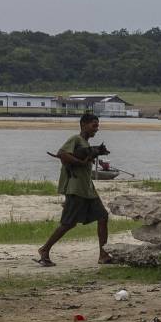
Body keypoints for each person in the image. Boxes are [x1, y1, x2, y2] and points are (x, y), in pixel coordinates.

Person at [35, 112, 111, 266]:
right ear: (83, 125)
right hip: (76, 188)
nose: (96, 129)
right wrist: (81, 162)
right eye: (94, 125)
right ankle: (44, 249)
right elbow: (62, 154)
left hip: (88, 188)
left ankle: (103, 255)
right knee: (68, 223)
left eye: (97, 126)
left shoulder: (85, 143)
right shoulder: (75, 139)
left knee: (103, 217)